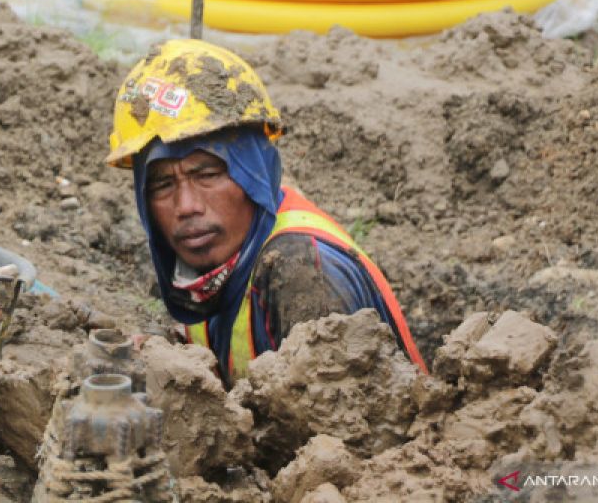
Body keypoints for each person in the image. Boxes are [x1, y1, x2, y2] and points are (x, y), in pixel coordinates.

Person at [105, 39, 426, 384]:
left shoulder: (300, 269)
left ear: (253, 170)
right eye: (162, 185)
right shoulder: (203, 271)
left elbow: (344, 429)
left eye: (208, 175)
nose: (186, 207)